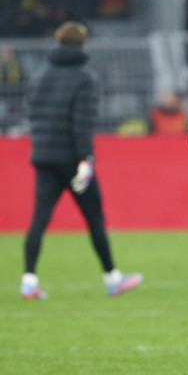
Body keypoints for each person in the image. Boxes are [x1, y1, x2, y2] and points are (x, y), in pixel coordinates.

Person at [21, 21, 142, 300]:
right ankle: (112, 279)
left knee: (39, 219)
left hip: (43, 157)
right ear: (83, 43)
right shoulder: (85, 78)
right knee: (94, 218)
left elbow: (34, 117)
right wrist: (85, 159)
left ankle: (28, 280)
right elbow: (81, 124)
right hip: (72, 160)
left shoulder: (39, 76)